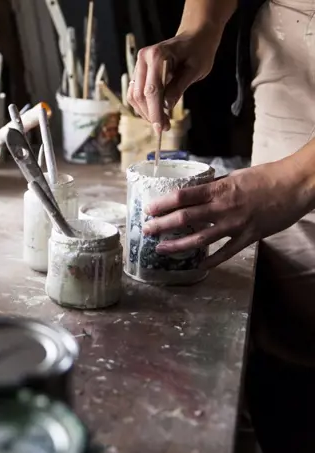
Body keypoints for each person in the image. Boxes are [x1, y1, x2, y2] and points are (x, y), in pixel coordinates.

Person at [126, 1, 315, 451]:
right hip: (292, 63)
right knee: (288, 334)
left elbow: (289, 182)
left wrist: (295, 180)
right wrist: (199, 28)